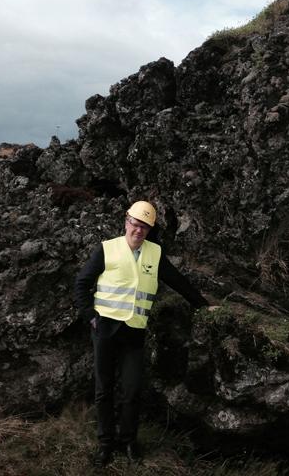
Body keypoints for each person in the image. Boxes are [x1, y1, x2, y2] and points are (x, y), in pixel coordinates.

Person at [74, 200, 210, 467]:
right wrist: (91, 317)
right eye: (135, 224)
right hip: (104, 330)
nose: (138, 231)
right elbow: (81, 285)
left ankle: (129, 442)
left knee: (132, 390)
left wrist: (203, 305)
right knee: (104, 390)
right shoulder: (106, 249)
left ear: (149, 230)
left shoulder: (155, 254)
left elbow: (178, 281)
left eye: (144, 227)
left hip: (134, 332)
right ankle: (105, 444)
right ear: (127, 221)